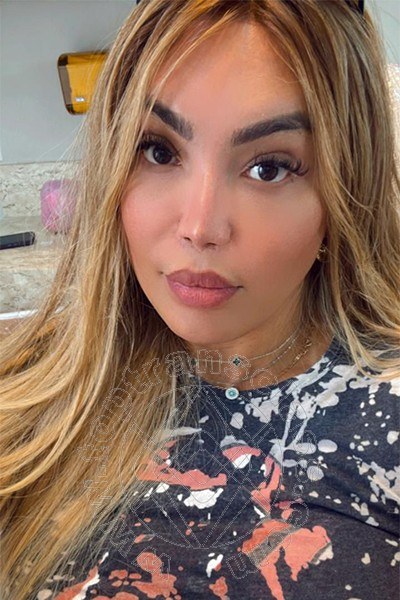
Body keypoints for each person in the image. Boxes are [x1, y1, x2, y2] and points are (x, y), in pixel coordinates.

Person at [1, 1, 399, 598]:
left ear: (343, 193)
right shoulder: (28, 398)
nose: (199, 227)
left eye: (270, 168)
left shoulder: (384, 421)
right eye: (160, 151)